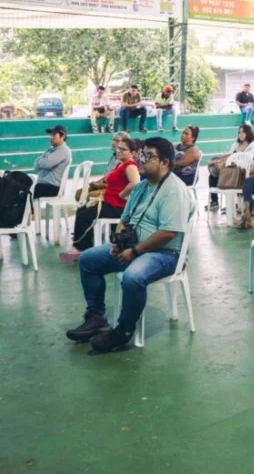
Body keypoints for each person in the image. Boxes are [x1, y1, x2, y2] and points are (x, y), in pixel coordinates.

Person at [65, 137, 193, 353]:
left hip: (166, 254)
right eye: (142, 155)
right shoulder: (142, 187)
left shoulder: (174, 190)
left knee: (133, 276)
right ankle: (97, 317)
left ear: (164, 162)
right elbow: (124, 219)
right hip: (133, 247)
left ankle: (123, 331)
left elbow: (168, 233)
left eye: (148, 156)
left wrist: (134, 252)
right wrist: (118, 241)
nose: (141, 160)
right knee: (88, 259)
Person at [59, 137, 141, 261]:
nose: (119, 151)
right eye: (119, 148)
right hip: (109, 201)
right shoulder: (120, 164)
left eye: (123, 149)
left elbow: (135, 182)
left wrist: (122, 194)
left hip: (117, 206)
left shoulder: (130, 166)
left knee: (84, 215)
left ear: (132, 153)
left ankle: (81, 249)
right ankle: (84, 245)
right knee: (81, 210)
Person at [207, 125, 254, 209]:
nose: (240, 134)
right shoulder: (236, 144)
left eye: (243, 132)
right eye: (239, 132)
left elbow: (249, 161)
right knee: (213, 175)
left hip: (243, 173)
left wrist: (225, 162)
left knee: (224, 172)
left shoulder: (253, 146)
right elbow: (229, 156)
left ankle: (233, 204)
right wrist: (219, 160)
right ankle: (215, 201)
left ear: (248, 133)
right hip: (231, 169)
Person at [33, 125, 72, 200]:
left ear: (62, 136)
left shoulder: (64, 150)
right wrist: (42, 161)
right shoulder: (51, 149)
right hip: (43, 185)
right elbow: (35, 166)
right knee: (21, 185)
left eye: (54, 135)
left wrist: (41, 160)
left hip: (52, 187)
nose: (51, 137)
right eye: (50, 135)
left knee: (25, 191)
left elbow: (47, 164)